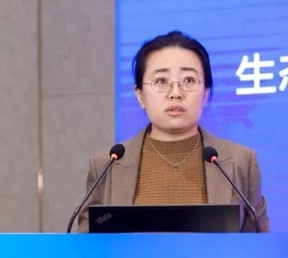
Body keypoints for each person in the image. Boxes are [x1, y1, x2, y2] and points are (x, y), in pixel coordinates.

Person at [77, 30, 269, 233]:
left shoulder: (241, 162)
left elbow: (259, 245)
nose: (176, 93)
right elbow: (85, 246)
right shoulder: (107, 164)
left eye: (189, 80)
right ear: (140, 95)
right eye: (161, 81)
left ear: (205, 93)